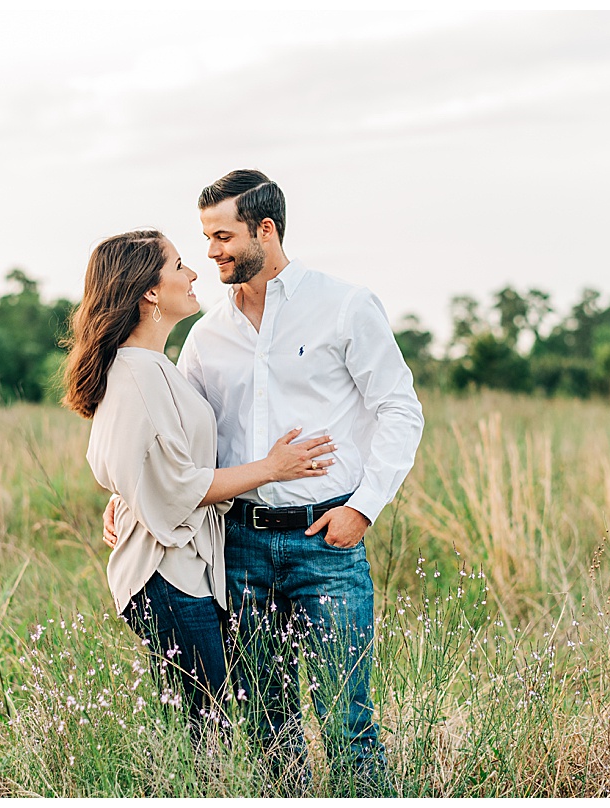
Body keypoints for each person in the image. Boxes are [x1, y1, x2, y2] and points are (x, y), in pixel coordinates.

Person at [104, 171, 424, 791]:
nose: (211, 253)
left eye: (223, 236)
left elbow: (399, 408)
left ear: (266, 229)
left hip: (326, 538)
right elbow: (176, 437)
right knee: (266, 726)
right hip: (239, 547)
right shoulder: (207, 336)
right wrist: (127, 493)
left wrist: (364, 507)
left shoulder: (344, 306)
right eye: (204, 239)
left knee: (346, 720)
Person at [61, 229, 336, 746]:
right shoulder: (139, 374)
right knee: (213, 729)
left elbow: (147, 464)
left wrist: (128, 495)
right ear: (148, 290)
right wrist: (272, 468)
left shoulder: (151, 367)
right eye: (179, 264)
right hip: (166, 573)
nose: (193, 273)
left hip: (184, 566)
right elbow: (177, 485)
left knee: (214, 721)